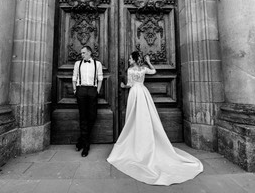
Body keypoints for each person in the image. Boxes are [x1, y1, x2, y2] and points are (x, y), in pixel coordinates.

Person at [107, 51, 203, 185]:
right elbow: (153, 71)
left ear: (134, 59)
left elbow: (129, 84)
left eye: (130, 58)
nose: (128, 60)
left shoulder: (130, 70)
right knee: (146, 115)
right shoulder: (143, 69)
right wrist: (148, 62)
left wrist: (123, 86)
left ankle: (136, 138)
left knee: (133, 116)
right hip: (143, 92)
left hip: (134, 92)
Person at [72, 46, 103, 157]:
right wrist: (75, 90)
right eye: (81, 53)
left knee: (92, 116)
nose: (82, 55)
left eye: (84, 53)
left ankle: (81, 140)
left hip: (92, 90)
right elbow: (74, 78)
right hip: (81, 89)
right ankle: (86, 145)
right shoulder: (77, 64)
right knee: (83, 116)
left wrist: (97, 91)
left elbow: (100, 78)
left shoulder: (97, 64)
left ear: (89, 52)